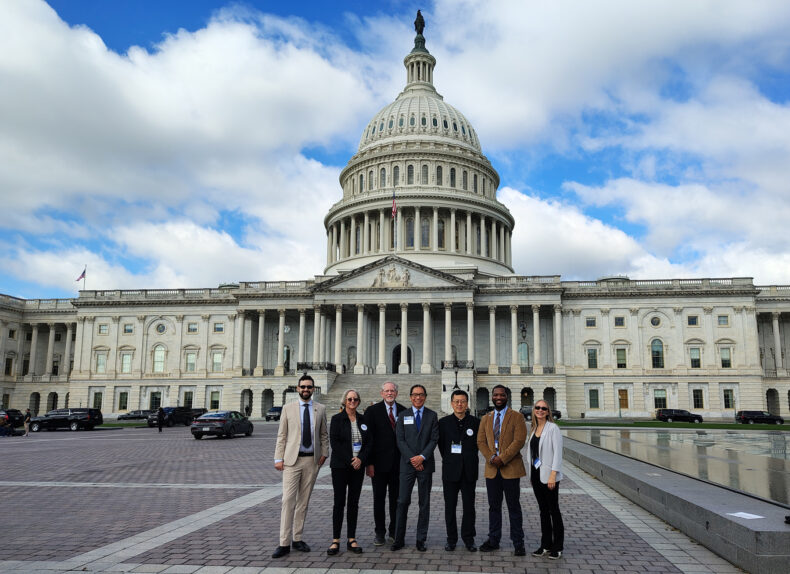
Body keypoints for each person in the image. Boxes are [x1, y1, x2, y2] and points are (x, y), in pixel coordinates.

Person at [272, 374, 328, 558]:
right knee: (288, 500)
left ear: (313, 389)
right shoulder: (288, 409)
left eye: (309, 387)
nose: (306, 390)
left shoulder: (321, 408)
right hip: (291, 461)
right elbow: (282, 436)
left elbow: (323, 434)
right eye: (303, 387)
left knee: (303, 502)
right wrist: (278, 458)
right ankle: (284, 542)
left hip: (311, 460)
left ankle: (297, 538)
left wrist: (324, 453)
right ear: (298, 388)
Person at [476, 384, 527, 556]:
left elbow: (519, 441)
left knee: (514, 507)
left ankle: (518, 542)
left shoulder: (517, 417)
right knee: (493, 507)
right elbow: (480, 442)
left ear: (507, 396)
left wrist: (502, 458)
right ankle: (494, 539)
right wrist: (491, 458)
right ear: (492, 397)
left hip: (511, 468)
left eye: (502, 395)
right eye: (496, 395)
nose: (498, 397)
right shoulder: (486, 418)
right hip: (492, 470)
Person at [391, 383, 439, 552]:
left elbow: (434, 439)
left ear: (425, 397)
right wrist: (413, 458)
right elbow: (400, 440)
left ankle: (421, 539)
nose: (418, 397)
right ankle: (399, 539)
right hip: (407, 465)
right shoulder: (403, 415)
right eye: (415, 395)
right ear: (410, 397)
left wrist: (422, 457)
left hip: (425, 465)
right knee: (402, 501)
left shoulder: (432, 416)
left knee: (424, 503)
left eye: (421, 394)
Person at [328, 389, 372, 556]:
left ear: (359, 401)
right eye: (349, 399)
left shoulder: (363, 419)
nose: (352, 401)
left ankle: (351, 538)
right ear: (344, 401)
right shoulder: (337, 419)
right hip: (341, 466)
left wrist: (360, 458)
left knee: (353, 503)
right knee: (339, 502)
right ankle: (335, 540)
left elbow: (369, 442)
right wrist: (351, 460)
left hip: (357, 467)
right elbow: (335, 443)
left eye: (355, 399)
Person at [364, 381, 406, 546]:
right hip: (378, 465)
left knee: (397, 500)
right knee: (378, 500)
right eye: (387, 391)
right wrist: (369, 463)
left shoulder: (403, 411)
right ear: (381, 393)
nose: (390, 393)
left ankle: (394, 531)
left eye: (392, 391)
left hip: (398, 465)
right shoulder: (372, 411)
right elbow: (368, 440)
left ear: (396, 393)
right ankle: (379, 532)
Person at [438, 389, 480, 552]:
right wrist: (452, 459)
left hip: (469, 470)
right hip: (450, 470)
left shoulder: (476, 422)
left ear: (467, 403)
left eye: (462, 401)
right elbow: (442, 446)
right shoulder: (443, 423)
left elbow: (478, 444)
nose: (459, 404)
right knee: (450, 506)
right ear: (451, 403)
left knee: (469, 507)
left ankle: (469, 539)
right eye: (456, 401)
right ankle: (451, 539)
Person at [527, 399, 564, 560]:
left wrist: (553, 475)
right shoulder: (534, 428)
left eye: (543, 408)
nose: (540, 410)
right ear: (534, 410)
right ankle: (546, 545)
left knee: (553, 511)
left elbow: (558, 453)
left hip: (549, 476)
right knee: (543, 511)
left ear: (548, 412)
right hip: (536, 475)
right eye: (538, 408)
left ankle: (558, 546)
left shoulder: (553, 428)